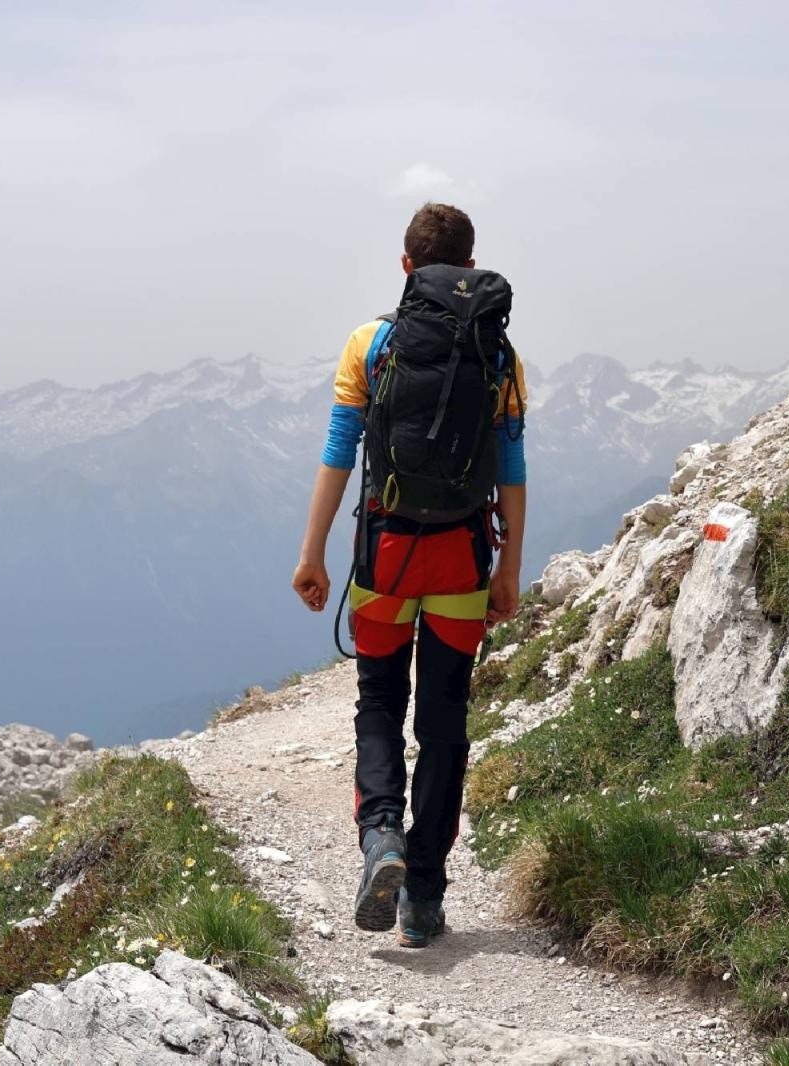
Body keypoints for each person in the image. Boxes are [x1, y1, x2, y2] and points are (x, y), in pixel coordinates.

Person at [291, 202, 527, 947]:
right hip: (462, 557)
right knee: (445, 719)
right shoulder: (498, 352)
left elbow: (340, 453)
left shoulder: (371, 344)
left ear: (406, 267)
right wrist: (510, 567)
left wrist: (312, 554)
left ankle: (382, 835)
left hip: (385, 559)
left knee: (380, 701)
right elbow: (511, 466)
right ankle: (423, 897)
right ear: (470, 266)